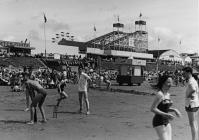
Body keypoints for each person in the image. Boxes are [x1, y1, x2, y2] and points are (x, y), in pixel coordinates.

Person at [151, 75, 181, 140]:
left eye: (171, 82)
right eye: (168, 82)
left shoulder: (168, 94)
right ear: (163, 83)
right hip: (158, 121)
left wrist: (175, 110)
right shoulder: (160, 94)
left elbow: (164, 109)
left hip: (166, 121)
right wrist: (166, 114)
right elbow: (153, 109)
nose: (170, 84)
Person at [182, 67, 199, 140]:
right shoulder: (193, 80)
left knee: (192, 124)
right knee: (194, 123)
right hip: (195, 103)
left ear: (189, 73)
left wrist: (187, 95)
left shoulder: (191, 81)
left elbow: (193, 89)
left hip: (191, 104)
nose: (183, 74)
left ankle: (193, 139)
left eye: (184, 73)